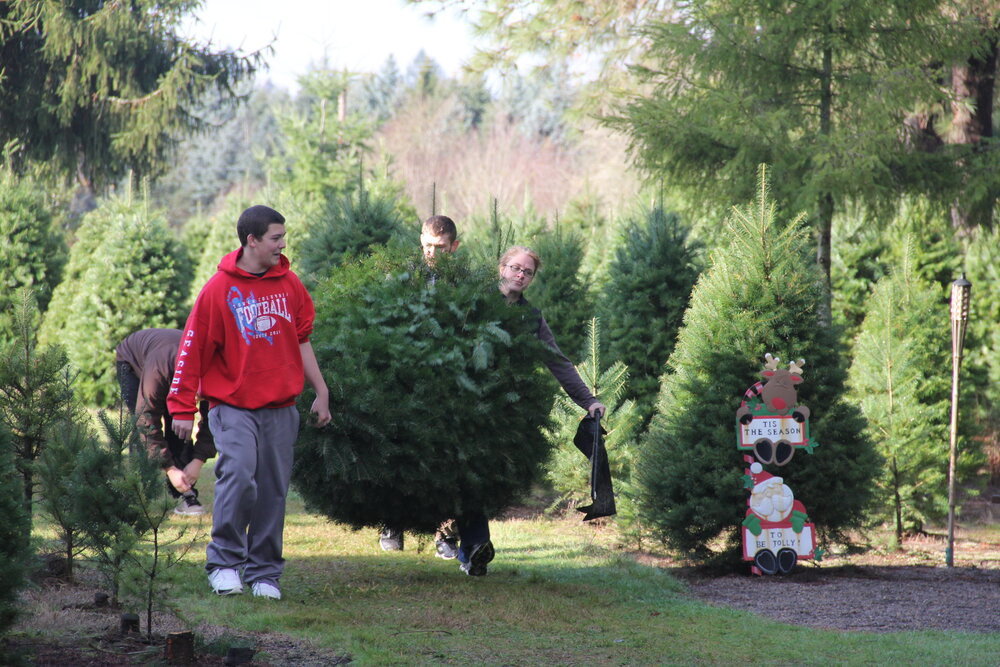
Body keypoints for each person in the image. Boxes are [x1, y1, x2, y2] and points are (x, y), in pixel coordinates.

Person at [167, 204, 332, 600]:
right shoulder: (219, 290)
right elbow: (192, 350)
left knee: (273, 490)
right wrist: (181, 406)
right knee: (239, 475)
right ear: (252, 240)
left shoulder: (290, 285)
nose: (282, 244)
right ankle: (223, 563)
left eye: (283, 237)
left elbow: (302, 340)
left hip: (280, 409)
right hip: (233, 406)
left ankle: (263, 573)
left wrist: (322, 391)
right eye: (275, 238)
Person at [454, 245, 607, 577]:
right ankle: (473, 546)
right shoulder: (476, 305)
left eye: (527, 272)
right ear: (501, 268)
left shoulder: (532, 318)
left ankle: (469, 546)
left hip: (502, 412)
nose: (520, 275)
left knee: (482, 478)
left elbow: (557, 362)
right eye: (515, 268)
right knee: (467, 476)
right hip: (462, 406)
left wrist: (588, 400)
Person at [378, 215, 462, 559]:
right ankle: (392, 525)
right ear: (420, 241)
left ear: (454, 247)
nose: (432, 253)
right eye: (427, 245)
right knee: (399, 452)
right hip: (405, 379)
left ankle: (446, 535)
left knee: (447, 459)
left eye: (440, 247)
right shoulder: (400, 277)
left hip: (449, 383)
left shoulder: (464, 283)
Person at [116, 328, 215, 516]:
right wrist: (169, 469)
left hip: (170, 359)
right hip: (133, 359)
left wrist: (198, 460)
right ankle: (137, 492)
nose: (196, 402)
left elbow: (214, 420)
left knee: (178, 429)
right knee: (140, 425)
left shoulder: (213, 372)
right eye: (194, 397)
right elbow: (145, 420)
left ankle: (185, 493)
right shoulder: (158, 372)